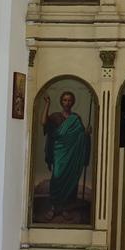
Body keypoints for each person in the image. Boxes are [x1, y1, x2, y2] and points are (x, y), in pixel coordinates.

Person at [39, 90, 91, 222]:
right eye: (64, 100)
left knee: (71, 180)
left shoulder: (76, 118)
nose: (67, 103)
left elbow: (80, 136)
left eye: (69, 100)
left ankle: (65, 208)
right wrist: (47, 104)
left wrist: (86, 133)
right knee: (57, 178)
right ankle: (53, 207)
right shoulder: (56, 117)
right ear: (61, 102)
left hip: (72, 154)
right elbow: (43, 122)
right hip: (59, 152)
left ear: (73, 102)